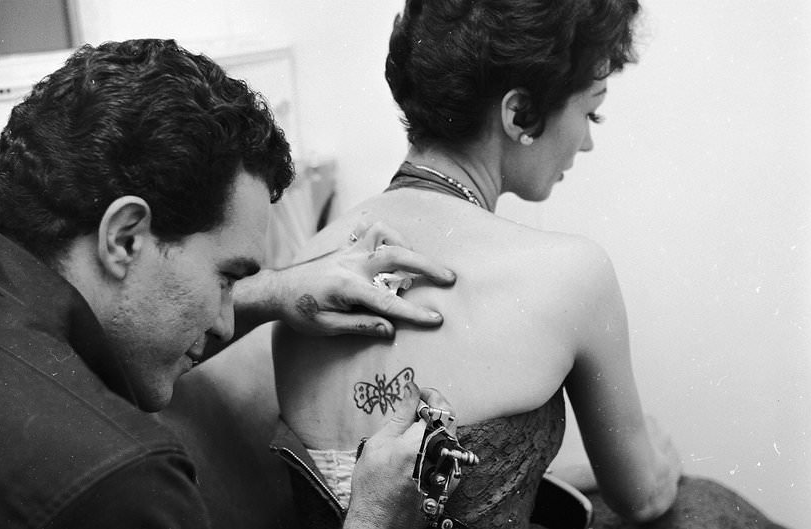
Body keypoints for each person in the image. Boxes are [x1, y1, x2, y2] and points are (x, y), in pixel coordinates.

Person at [272, 1, 789, 528]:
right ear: (519, 113)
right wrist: (664, 460)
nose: (587, 141)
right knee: (705, 503)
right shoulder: (572, 274)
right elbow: (643, 497)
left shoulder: (307, 269)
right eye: (591, 112)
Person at [0, 38, 459, 529]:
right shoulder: (121, 481)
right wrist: (375, 518)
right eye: (226, 277)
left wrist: (275, 291)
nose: (225, 323)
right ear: (124, 238)